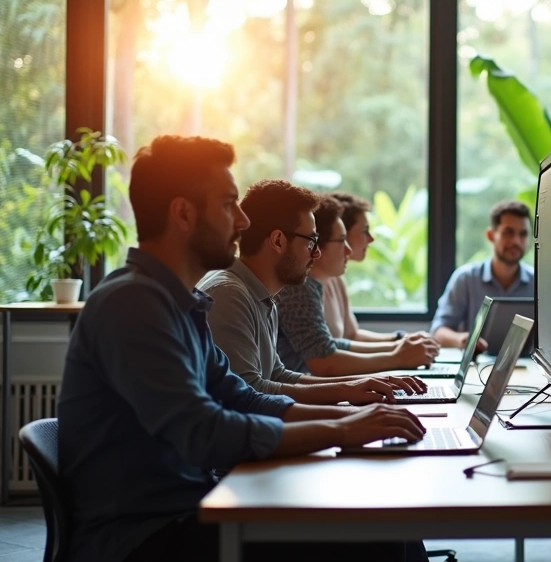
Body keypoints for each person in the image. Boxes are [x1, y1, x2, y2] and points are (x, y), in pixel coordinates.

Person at [58, 135, 429, 562]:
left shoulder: (182, 303)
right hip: (144, 537)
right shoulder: (133, 303)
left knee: (385, 521)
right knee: (377, 537)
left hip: (192, 507)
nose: (243, 221)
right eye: (228, 204)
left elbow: (244, 396)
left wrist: (351, 416)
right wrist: (341, 430)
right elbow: (206, 432)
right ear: (183, 213)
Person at [200, 180, 428, 404]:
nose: (317, 253)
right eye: (311, 241)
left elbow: (278, 375)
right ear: (278, 241)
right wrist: (346, 412)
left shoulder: (262, 295)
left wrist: (356, 385)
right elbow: (250, 393)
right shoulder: (230, 296)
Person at [277, 196, 439, 376]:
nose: (349, 249)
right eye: (342, 239)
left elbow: (332, 344)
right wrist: (397, 356)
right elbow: (323, 361)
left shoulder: (318, 283)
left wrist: (399, 346)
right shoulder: (299, 287)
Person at [430, 199, 534, 352]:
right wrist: (463, 340)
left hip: (526, 365)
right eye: (508, 232)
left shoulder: (538, 283)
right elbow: (438, 331)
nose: (516, 241)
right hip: (476, 363)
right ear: (491, 235)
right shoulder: (465, 279)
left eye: (523, 234)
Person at [322, 191, 406, 343]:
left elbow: (351, 335)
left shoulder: (337, 278)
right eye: (364, 230)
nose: (371, 239)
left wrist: (400, 339)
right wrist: (398, 350)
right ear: (342, 231)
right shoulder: (310, 281)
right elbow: (324, 351)